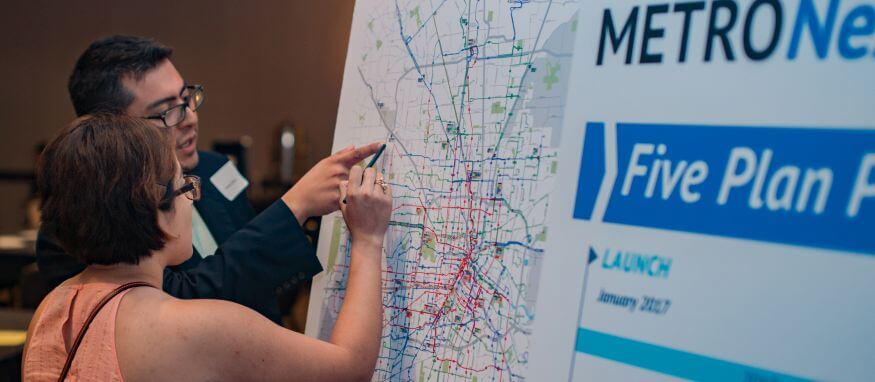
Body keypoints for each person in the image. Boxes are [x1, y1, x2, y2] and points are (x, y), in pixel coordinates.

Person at [36, 35, 382, 322]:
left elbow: (250, 270)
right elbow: (181, 302)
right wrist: (295, 206)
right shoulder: (80, 224)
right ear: (112, 131)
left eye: (186, 99)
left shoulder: (214, 170)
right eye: (168, 110)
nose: (189, 119)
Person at [23, 114, 391, 381]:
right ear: (157, 214)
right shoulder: (200, 325)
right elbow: (349, 367)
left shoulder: (52, 309)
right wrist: (368, 240)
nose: (191, 201)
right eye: (185, 187)